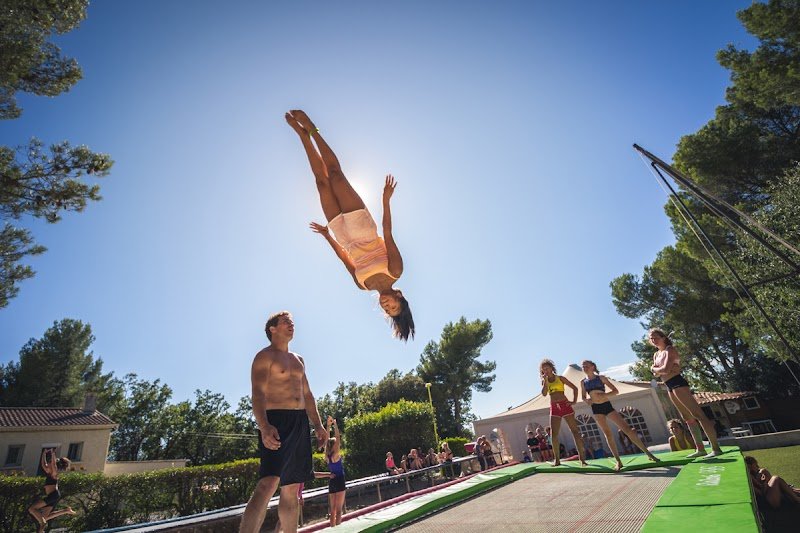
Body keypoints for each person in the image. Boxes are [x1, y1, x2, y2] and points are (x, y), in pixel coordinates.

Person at [285, 110, 414, 341]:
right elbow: (387, 232)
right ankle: (312, 129)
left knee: (322, 184)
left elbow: (345, 258)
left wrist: (327, 235)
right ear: (400, 297)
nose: (386, 306)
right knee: (335, 176)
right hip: (363, 229)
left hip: (343, 236)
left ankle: (302, 136)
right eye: (393, 307)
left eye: (387, 310)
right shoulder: (396, 271)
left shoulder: (363, 286)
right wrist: (385, 200)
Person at [240, 311, 328, 533]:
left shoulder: (299, 360)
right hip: (276, 421)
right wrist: (264, 425)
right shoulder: (264, 356)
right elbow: (258, 393)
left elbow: (308, 395)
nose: (291, 325)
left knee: (292, 488)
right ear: (272, 329)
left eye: (292, 322)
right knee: (268, 483)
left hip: (300, 423)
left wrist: (317, 425)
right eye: (286, 322)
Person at [649, 328, 723, 458]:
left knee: (698, 414)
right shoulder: (656, 355)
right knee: (687, 417)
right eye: (651, 338)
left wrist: (657, 369)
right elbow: (658, 372)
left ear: (663, 337)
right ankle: (700, 449)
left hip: (678, 383)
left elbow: (664, 370)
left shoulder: (670, 350)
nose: (654, 340)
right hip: (669, 385)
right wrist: (658, 369)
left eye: (656, 337)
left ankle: (716, 448)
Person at [580, 359, 659, 471]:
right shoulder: (583, 382)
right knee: (607, 433)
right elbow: (583, 396)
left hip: (606, 405)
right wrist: (586, 400)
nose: (584, 368)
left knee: (627, 429)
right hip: (596, 408)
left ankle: (648, 454)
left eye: (586, 365)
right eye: (583, 366)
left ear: (592, 367)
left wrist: (605, 395)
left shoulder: (601, 378)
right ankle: (618, 461)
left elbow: (615, 391)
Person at [540, 359, 588, 467]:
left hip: (565, 405)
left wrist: (574, 401)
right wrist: (545, 382)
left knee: (575, 431)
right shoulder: (545, 381)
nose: (545, 371)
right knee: (553, 435)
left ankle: (582, 459)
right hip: (554, 407)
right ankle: (557, 460)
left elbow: (575, 388)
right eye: (543, 370)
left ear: (552, 368)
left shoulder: (560, 378)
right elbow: (543, 394)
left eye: (547, 368)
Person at [27, 449, 76, 532]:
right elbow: (43, 464)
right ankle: (65, 511)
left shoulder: (54, 473)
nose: (48, 464)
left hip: (53, 495)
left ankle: (42, 523)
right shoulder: (49, 471)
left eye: (49, 463)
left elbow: (53, 464)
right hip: (53, 496)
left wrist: (53, 454)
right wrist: (43, 454)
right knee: (44, 517)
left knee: (32, 509)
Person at [325, 416, 346, 527]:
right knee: (338, 510)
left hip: (332, 481)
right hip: (339, 480)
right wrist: (335, 424)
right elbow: (338, 437)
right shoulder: (336, 454)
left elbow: (326, 441)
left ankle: (332, 529)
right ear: (335, 446)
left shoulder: (327, 456)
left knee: (332, 511)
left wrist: (328, 426)